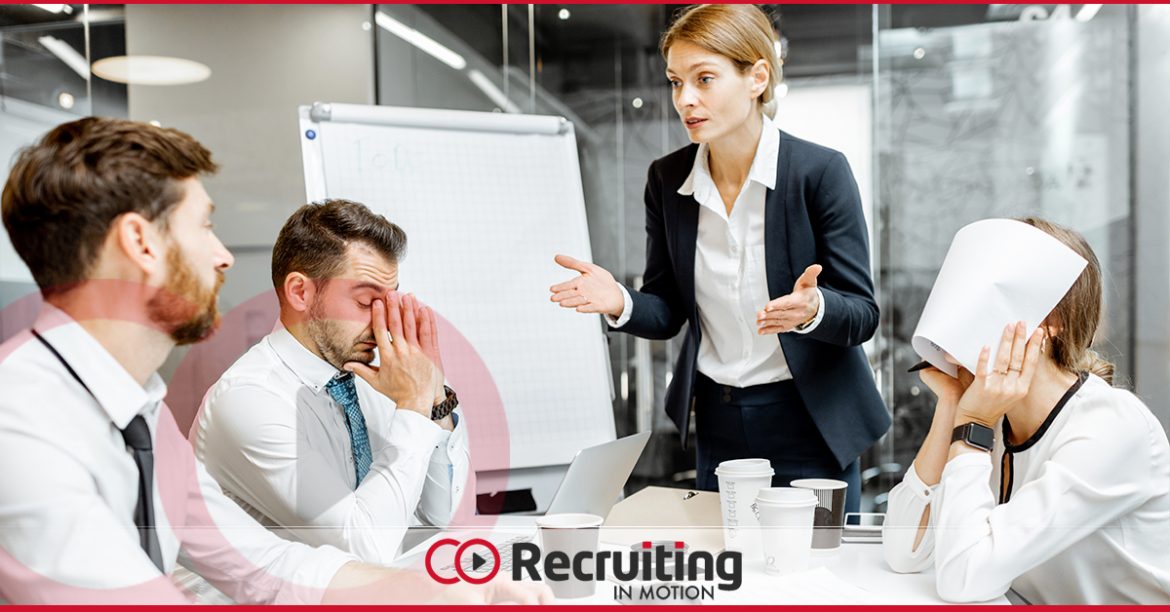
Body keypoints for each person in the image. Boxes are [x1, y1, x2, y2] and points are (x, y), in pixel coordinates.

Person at [0, 117, 547, 604]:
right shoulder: (21, 418)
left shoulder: (143, 414)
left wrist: (444, 589)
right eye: (204, 226)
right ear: (140, 242)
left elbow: (264, 565)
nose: (223, 257)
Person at [548, 3, 888, 511]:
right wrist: (619, 300)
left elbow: (862, 313)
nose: (685, 99)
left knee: (816, 560)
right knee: (726, 558)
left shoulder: (819, 172)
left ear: (757, 78)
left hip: (812, 420)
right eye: (675, 81)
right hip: (719, 420)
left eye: (704, 79)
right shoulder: (667, 180)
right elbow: (668, 309)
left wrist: (814, 310)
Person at [882, 218, 1170, 604]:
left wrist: (973, 426)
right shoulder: (993, 411)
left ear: (1052, 322)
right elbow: (904, 552)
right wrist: (952, 404)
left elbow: (963, 579)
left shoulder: (1111, 427)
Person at [190, 199, 470, 564]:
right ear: (300, 292)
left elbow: (442, 517)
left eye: (389, 302)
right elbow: (363, 548)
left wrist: (433, 399)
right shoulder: (249, 399)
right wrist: (413, 405)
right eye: (366, 302)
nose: (383, 323)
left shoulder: (372, 379)